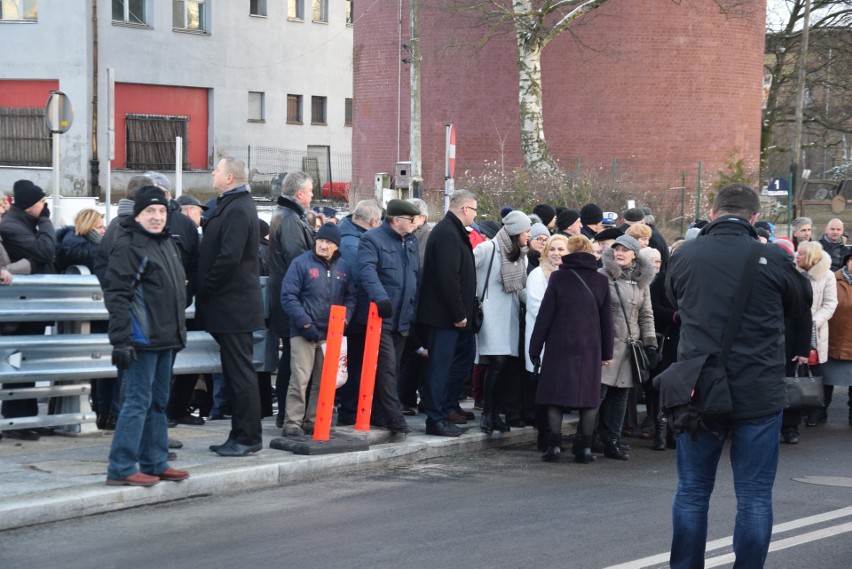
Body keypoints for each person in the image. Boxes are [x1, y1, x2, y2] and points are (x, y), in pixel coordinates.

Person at [665, 184, 805, 569]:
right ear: (755, 217)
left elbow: (673, 301)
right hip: (758, 388)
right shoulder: (772, 258)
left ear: (712, 212)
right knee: (755, 496)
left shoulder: (685, 255)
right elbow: (798, 303)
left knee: (692, 491)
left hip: (700, 387)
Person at [103, 186, 189, 486]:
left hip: (167, 339)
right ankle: (122, 467)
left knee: (158, 404)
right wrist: (121, 340)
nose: (156, 216)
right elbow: (117, 295)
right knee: (137, 403)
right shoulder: (129, 245)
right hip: (140, 340)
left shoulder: (166, 243)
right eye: (150, 211)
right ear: (138, 215)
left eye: (161, 211)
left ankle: (155, 461)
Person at [198, 157, 265, 457]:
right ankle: (239, 433)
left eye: (217, 170)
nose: (212, 173)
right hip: (229, 305)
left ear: (229, 178)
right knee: (235, 372)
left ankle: (248, 437)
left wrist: (205, 285)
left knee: (240, 375)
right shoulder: (232, 203)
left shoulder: (239, 207)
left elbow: (228, 258)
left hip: (233, 306)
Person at [529, 234, 614, 463]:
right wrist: (607, 352)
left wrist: (534, 347)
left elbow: (545, 316)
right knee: (589, 398)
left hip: (559, 343)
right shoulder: (601, 280)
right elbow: (607, 320)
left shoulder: (558, 278)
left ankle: (554, 447)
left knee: (555, 396)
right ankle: (585, 449)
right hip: (590, 345)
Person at [280, 223, 356, 437]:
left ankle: (313, 420)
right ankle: (292, 422)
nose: (323, 245)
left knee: (323, 381)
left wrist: (345, 320)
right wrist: (305, 323)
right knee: (300, 378)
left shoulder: (344, 267)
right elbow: (288, 296)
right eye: (321, 240)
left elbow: (351, 297)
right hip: (303, 332)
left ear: (336, 246)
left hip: (330, 333)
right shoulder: (300, 263)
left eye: (329, 242)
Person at [354, 199, 421, 434]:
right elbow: (367, 271)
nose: (415, 224)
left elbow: (414, 278)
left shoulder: (410, 242)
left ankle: (380, 415)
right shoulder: (372, 240)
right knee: (387, 368)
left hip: (403, 318)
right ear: (396, 220)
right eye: (411, 219)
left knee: (393, 367)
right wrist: (380, 298)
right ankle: (395, 418)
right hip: (380, 318)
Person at [417, 190, 478, 437]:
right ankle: (436, 418)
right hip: (444, 318)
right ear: (465, 209)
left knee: (455, 364)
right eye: (474, 210)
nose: (475, 215)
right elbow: (448, 277)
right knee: (439, 368)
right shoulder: (446, 233)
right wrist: (458, 312)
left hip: (454, 318)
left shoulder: (452, 231)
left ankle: (446, 409)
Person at [0, 180, 56, 441]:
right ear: (30, 205)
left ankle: (26, 418)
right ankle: (17, 419)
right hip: (20, 307)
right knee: (18, 363)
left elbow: (45, 256)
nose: (45, 207)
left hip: (32, 304)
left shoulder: (22, 223)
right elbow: (45, 251)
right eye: (42, 203)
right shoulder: (12, 226)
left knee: (28, 364)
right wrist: (45, 222)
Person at [597, 234, 657, 460]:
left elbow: (646, 315)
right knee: (600, 394)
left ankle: (612, 440)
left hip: (631, 347)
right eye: (616, 248)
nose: (619, 253)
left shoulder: (642, 280)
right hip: (607, 345)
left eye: (625, 249)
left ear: (635, 254)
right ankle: (592, 437)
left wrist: (650, 344)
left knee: (621, 395)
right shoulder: (602, 275)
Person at [475, 210, 531, 434]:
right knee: (496, 363)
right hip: (490, 313)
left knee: (504, 366)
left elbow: (522, 289)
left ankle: (495, 413)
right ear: (517, 231)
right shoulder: (488, 249)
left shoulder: (521, 255)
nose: (528, 234)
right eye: (526, 230)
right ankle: (488, 414)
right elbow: (468, 272)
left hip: (510, 316)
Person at [268, 171, 315, 429]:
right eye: (309, 191)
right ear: (299, 194)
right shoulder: (289, 219)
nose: (311, 195)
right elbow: (299, 261)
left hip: (287, 297)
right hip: (293, 299)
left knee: (291, 357)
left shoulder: (289, 216)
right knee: (292, 359)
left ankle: (287, 413)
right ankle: (287, 414)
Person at [335, 199, 382, 426]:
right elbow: (359, 284)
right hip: (355, 318)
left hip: (349, 315)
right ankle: (350, 411)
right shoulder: (355, 245)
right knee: (353, 366)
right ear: (374, 222)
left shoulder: (347, 237)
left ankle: (351, 409)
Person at [787, 242, 832, 434]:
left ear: (812, 256)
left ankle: (814, 411)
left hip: (816, 329)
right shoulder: (791, 274)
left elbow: (830, 303)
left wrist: (812, 321)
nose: (797, 256)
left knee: (813, 373)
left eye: (802, 254)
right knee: (793, 375)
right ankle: (793, 417)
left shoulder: (827, 276)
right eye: (797, 253)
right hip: (794, 330)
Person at [823, 250, 852, 426]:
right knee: (826, 381)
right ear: (847, 262)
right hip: (833, 340)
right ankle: (819, 412)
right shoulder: (832, 280)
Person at [54, 208, 105, 273]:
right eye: (99, 227)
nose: (103, 231)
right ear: (87, 227)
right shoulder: (78, 247)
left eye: (103, 227)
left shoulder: (76, 241)